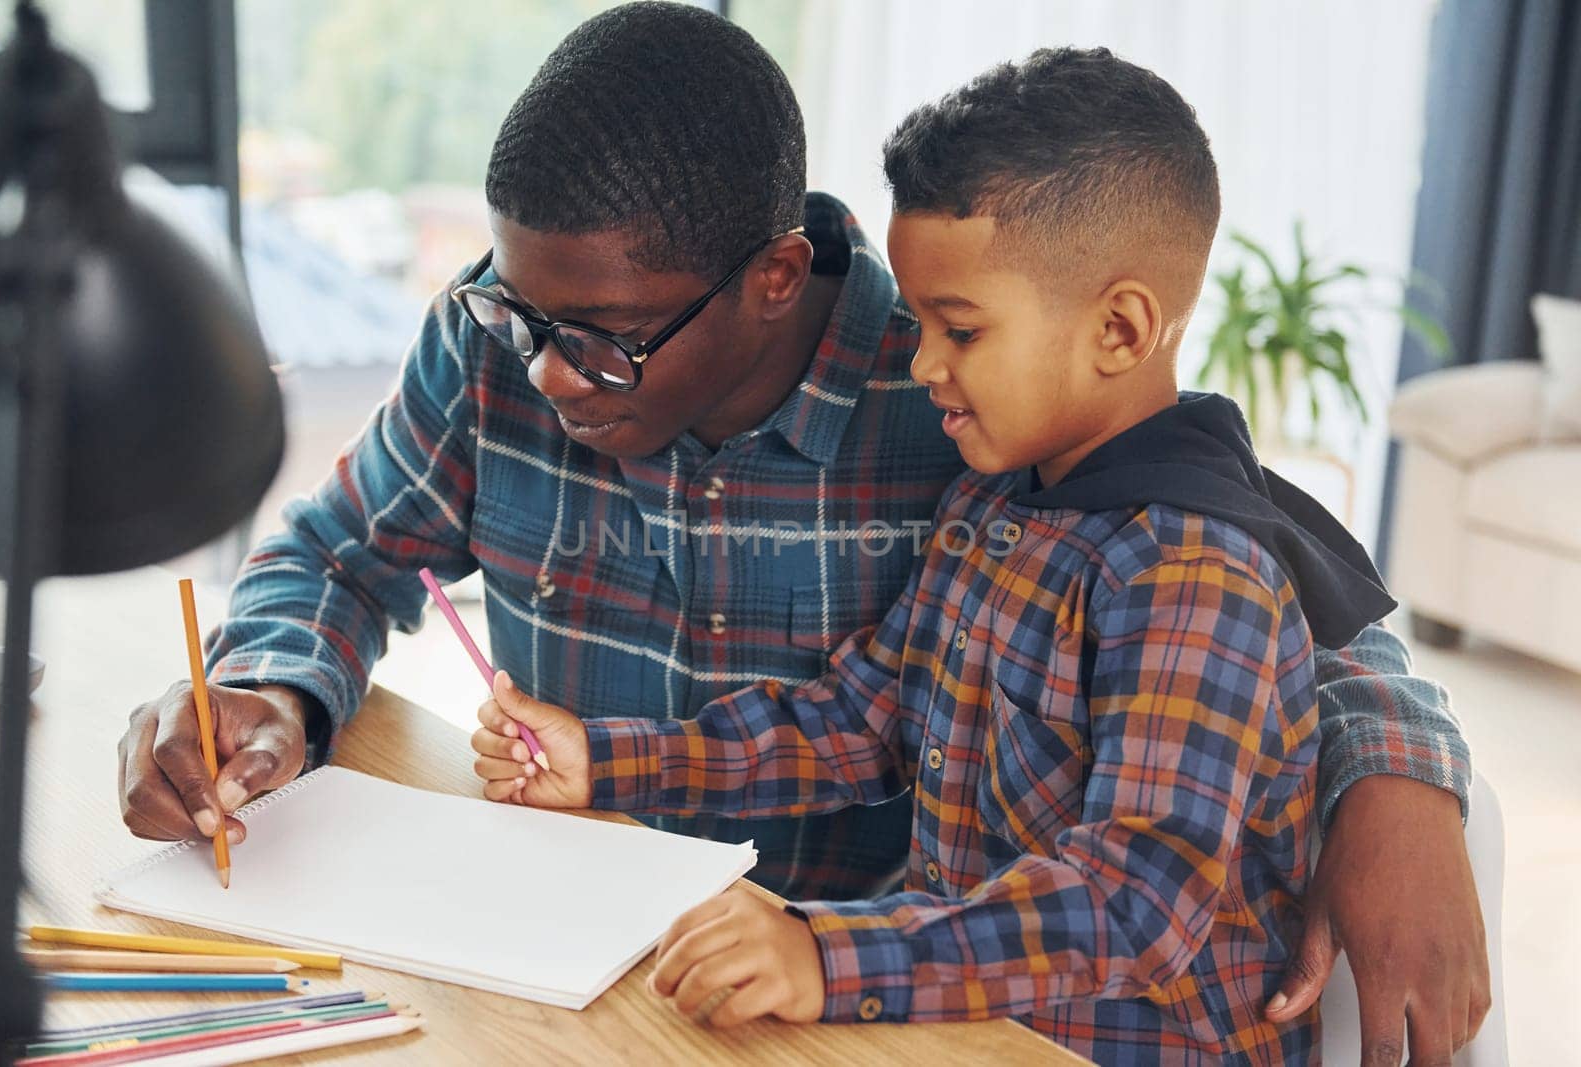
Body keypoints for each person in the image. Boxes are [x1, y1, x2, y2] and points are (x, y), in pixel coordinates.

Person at [114, 4, 1486, 1060]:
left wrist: (1401, 778)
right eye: (518, 317)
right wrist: (276, 692)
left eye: (602, 340)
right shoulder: (513, 340)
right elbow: (864, 705)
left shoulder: (964, 411)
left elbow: (1268, 577)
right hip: (627, 959)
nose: (540, 373)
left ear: (775, 279)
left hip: (890, 992)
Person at [467, 44, 1410, 1061]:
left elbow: (1133, 902)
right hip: (958, 1029)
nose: (921, 366)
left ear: (1120, 327)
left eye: (959, 331)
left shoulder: (1193, 574)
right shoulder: (992, 502)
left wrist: (827, 953)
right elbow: (858, 721)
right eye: (918, 325)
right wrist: (604, 759)